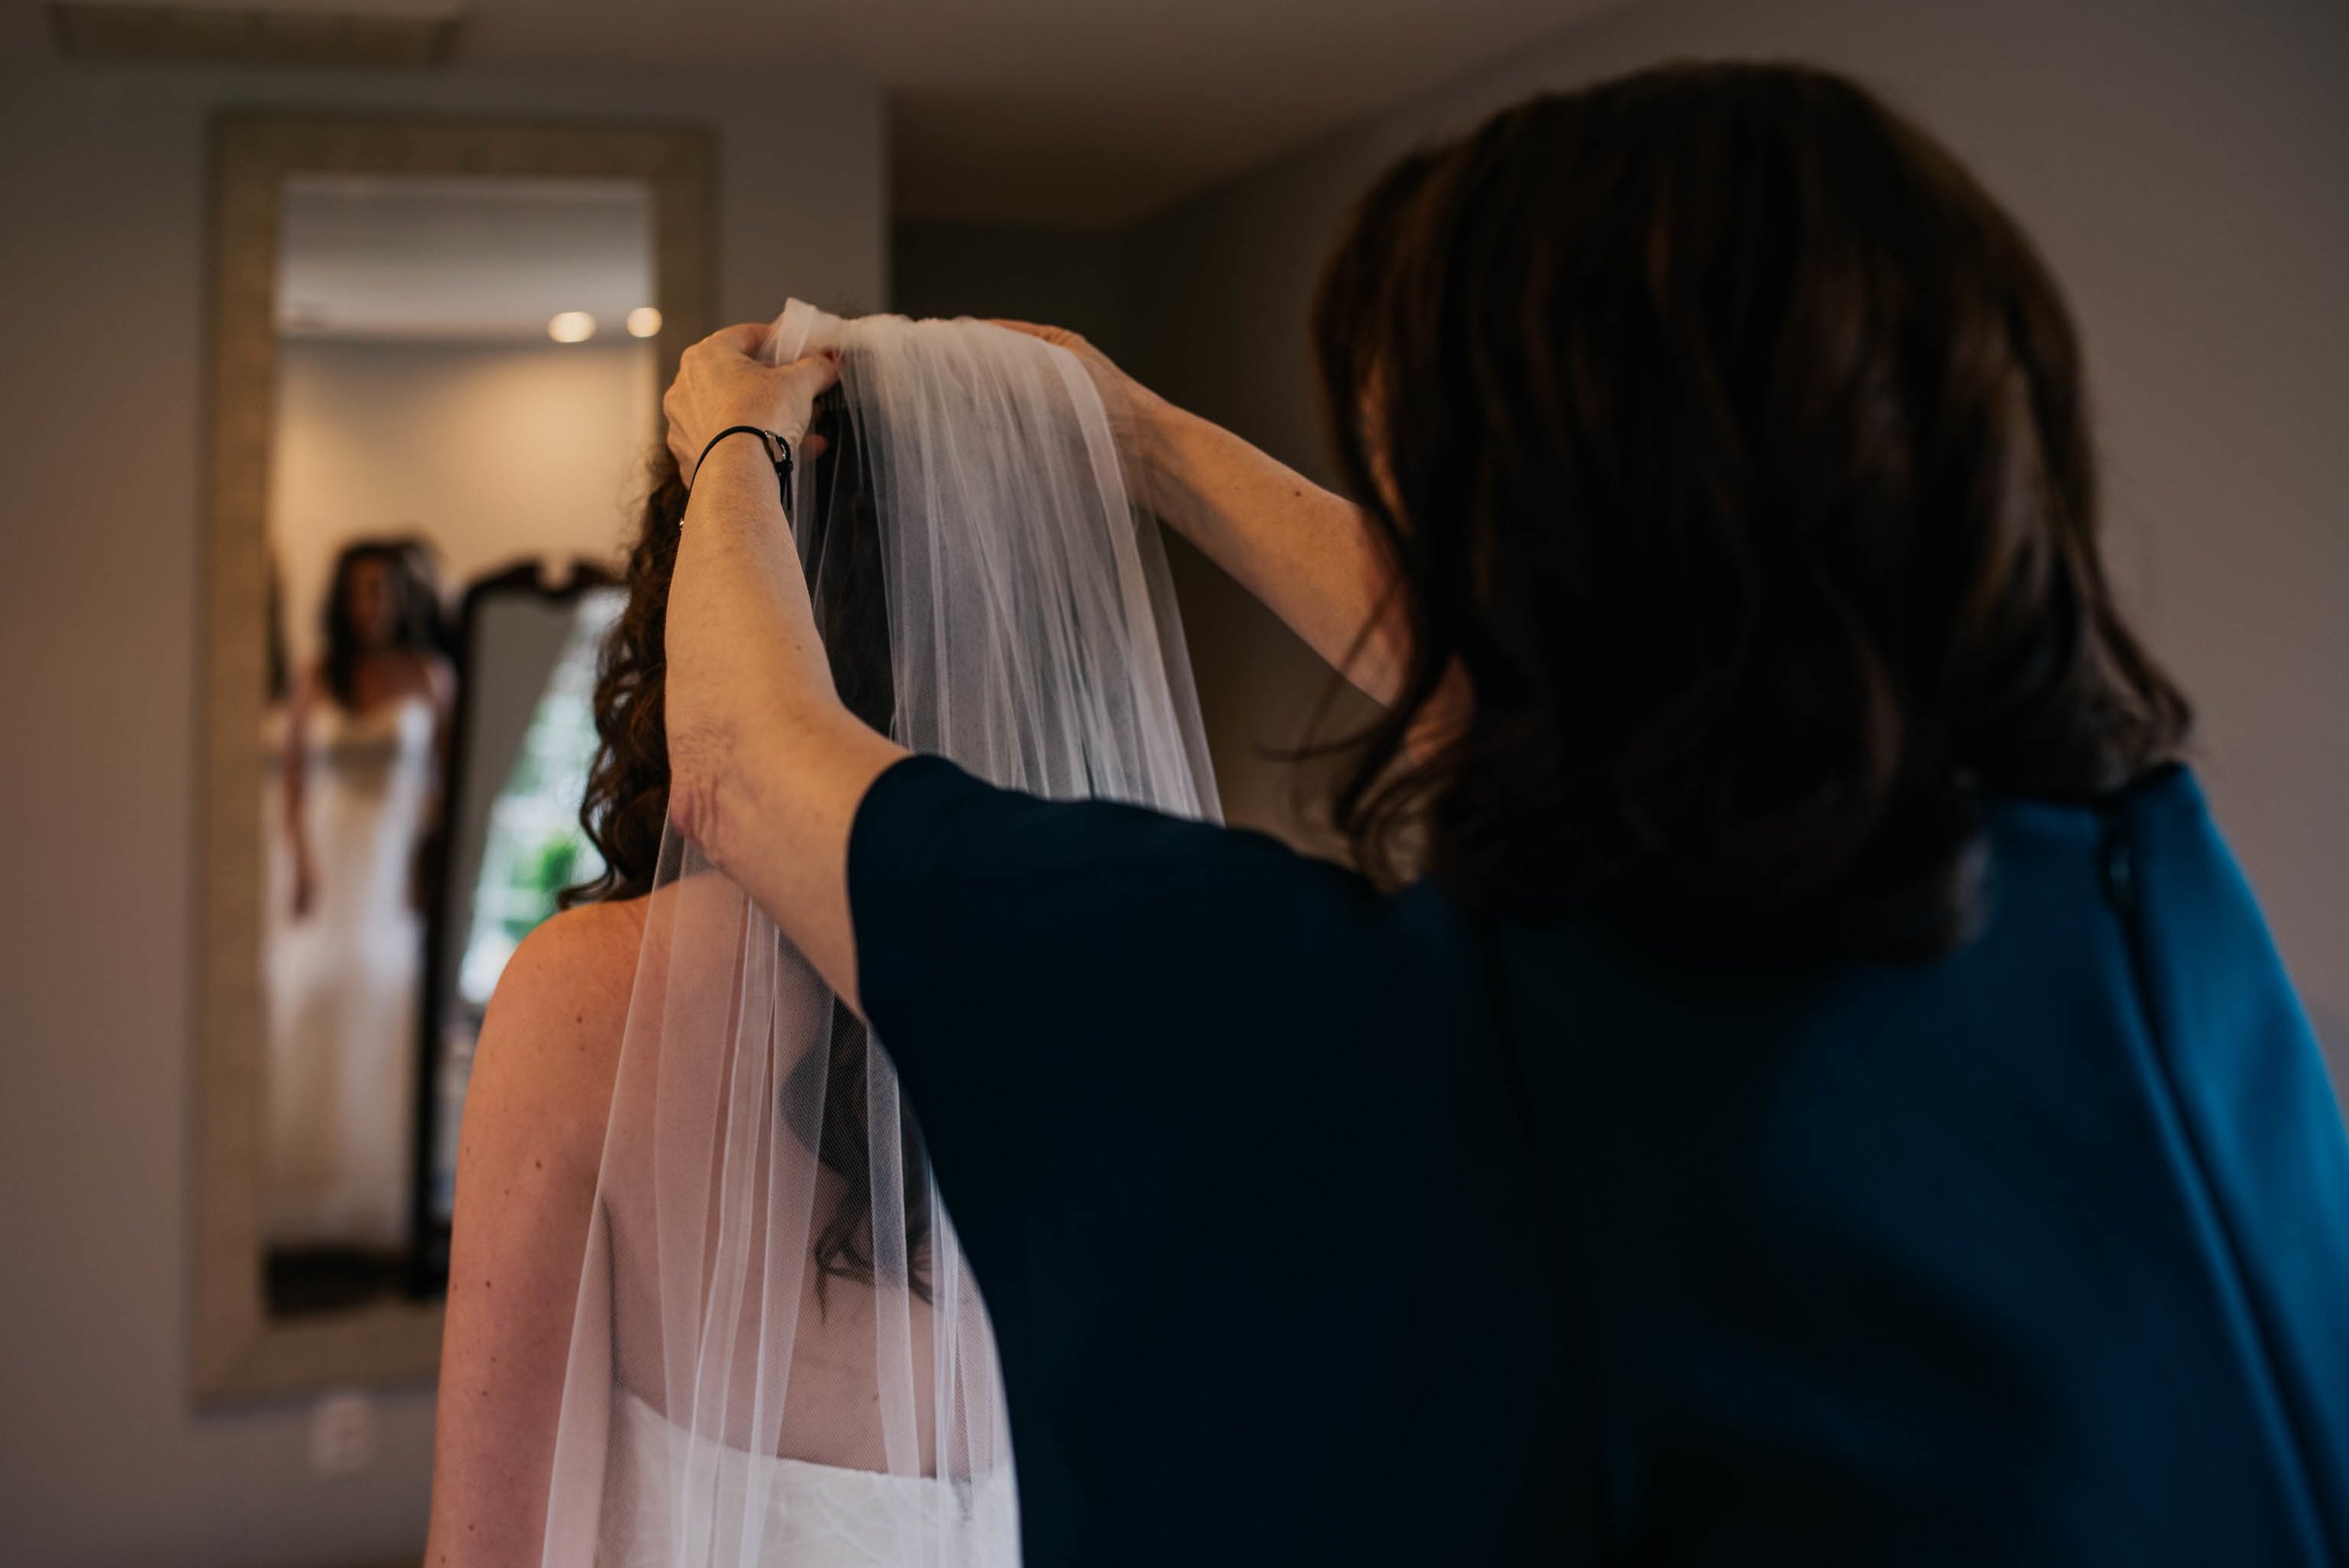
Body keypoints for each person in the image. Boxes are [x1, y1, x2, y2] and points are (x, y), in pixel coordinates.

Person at [645, 63, 2349, 1566]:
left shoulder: (1372, 1028)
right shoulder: (2141, 890)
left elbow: (741, 751)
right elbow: (1520, 686)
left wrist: (730, 440)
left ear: (1534, 525)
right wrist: (1142, 437)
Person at [427, 309, 1217, 1568]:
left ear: (703, 608)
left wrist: (733, 440)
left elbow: (489, 1553)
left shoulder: (587, 1003)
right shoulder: (1149, 997)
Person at [264, 538, 456, 1256]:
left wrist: (423, 865)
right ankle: (301, 1178)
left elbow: (443, 783)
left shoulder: (431, 678)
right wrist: (300, 860)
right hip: (326, 857)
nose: (367, 604)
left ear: (398, 597)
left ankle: (373, 1183)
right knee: (310, 992)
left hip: (391, 858)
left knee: (383, 998)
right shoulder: (317, 676)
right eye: (357, 590)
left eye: (380, 590)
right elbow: (292, 781)